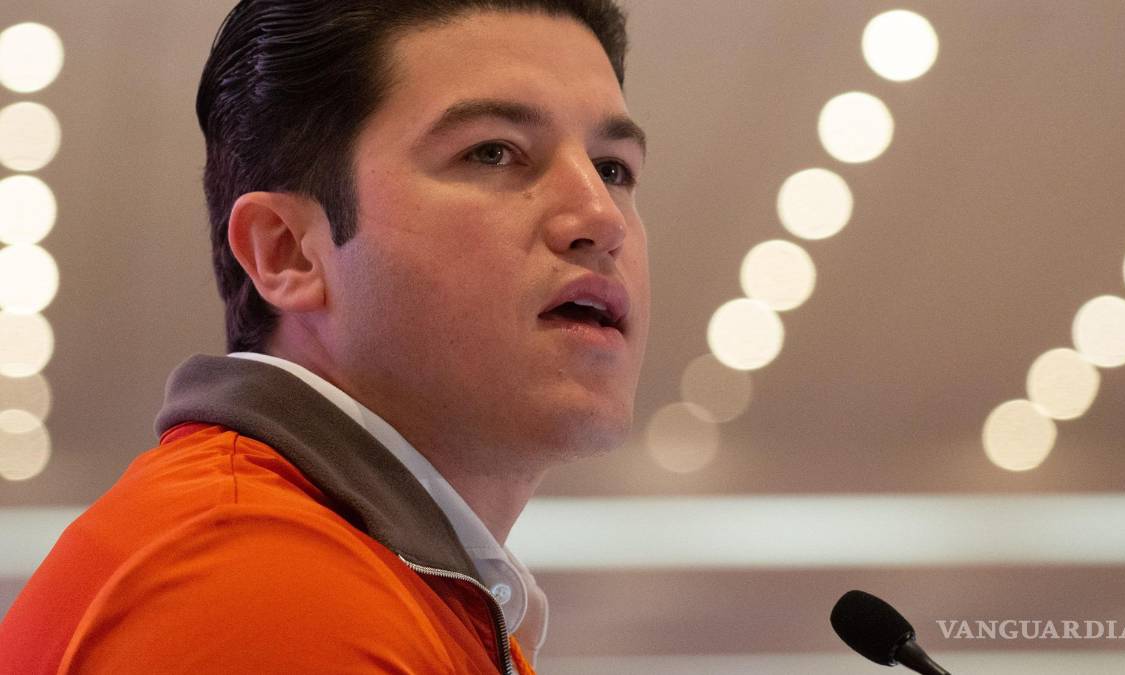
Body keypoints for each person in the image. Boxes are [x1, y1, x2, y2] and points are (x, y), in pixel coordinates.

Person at [0, 0, 650, 672]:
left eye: (613, 168)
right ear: (288, 252)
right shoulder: (258, 587)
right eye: (493, 152)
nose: (602, 218)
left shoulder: (371, 580)